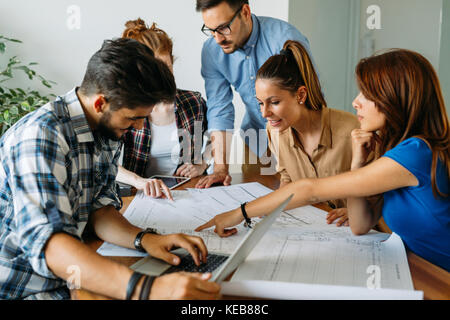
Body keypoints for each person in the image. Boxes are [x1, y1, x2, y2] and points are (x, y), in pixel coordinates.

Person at [0, 39, 220, 300]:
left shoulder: (105, 131)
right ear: (100, 103)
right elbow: (51, 246)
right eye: (133, 118)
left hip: (71, 278)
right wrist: (149, 289)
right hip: (23, 286)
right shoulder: (40, 137)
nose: (139, 128)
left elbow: (100, 209)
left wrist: (145, 239)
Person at [196, 49, 450, 272]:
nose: (356, 102)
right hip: (418, 266)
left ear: (394, 100)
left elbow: (309, 190)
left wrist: (238, 213)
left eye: (366, 94)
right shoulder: (401, 149)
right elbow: (360, 226)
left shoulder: (416, 152)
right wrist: (358, 163)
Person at [194, 0, 316, 188]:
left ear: (245, 11)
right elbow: (219, 109)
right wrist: (220, 169)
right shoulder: (212, 51)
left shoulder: (286, 39)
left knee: (303, 203)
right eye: (210, 30)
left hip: (298, 138)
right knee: (256, 203)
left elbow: (308, 100)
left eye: (224, 28)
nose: (217, 39)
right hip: (256, 139)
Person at [257, 40, 360, 226]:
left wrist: (357, 211)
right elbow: (287, 178)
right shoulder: (275, 130)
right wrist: (274, 209)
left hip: (357, 232)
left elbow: (383, 190)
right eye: (260, 103)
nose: (265, 113)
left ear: (301, 95)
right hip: (314, 227)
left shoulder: (351, 131)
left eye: (274, 102)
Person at [118, 19, 211, 199]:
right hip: (141, 195)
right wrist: (139, 181)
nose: (163, 78)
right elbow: (106, 163)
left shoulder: (194, 102)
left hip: (189, 192)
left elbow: (216, 139)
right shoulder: (126, 110)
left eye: (167, 68)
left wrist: (203, 164)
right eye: (154, 72)